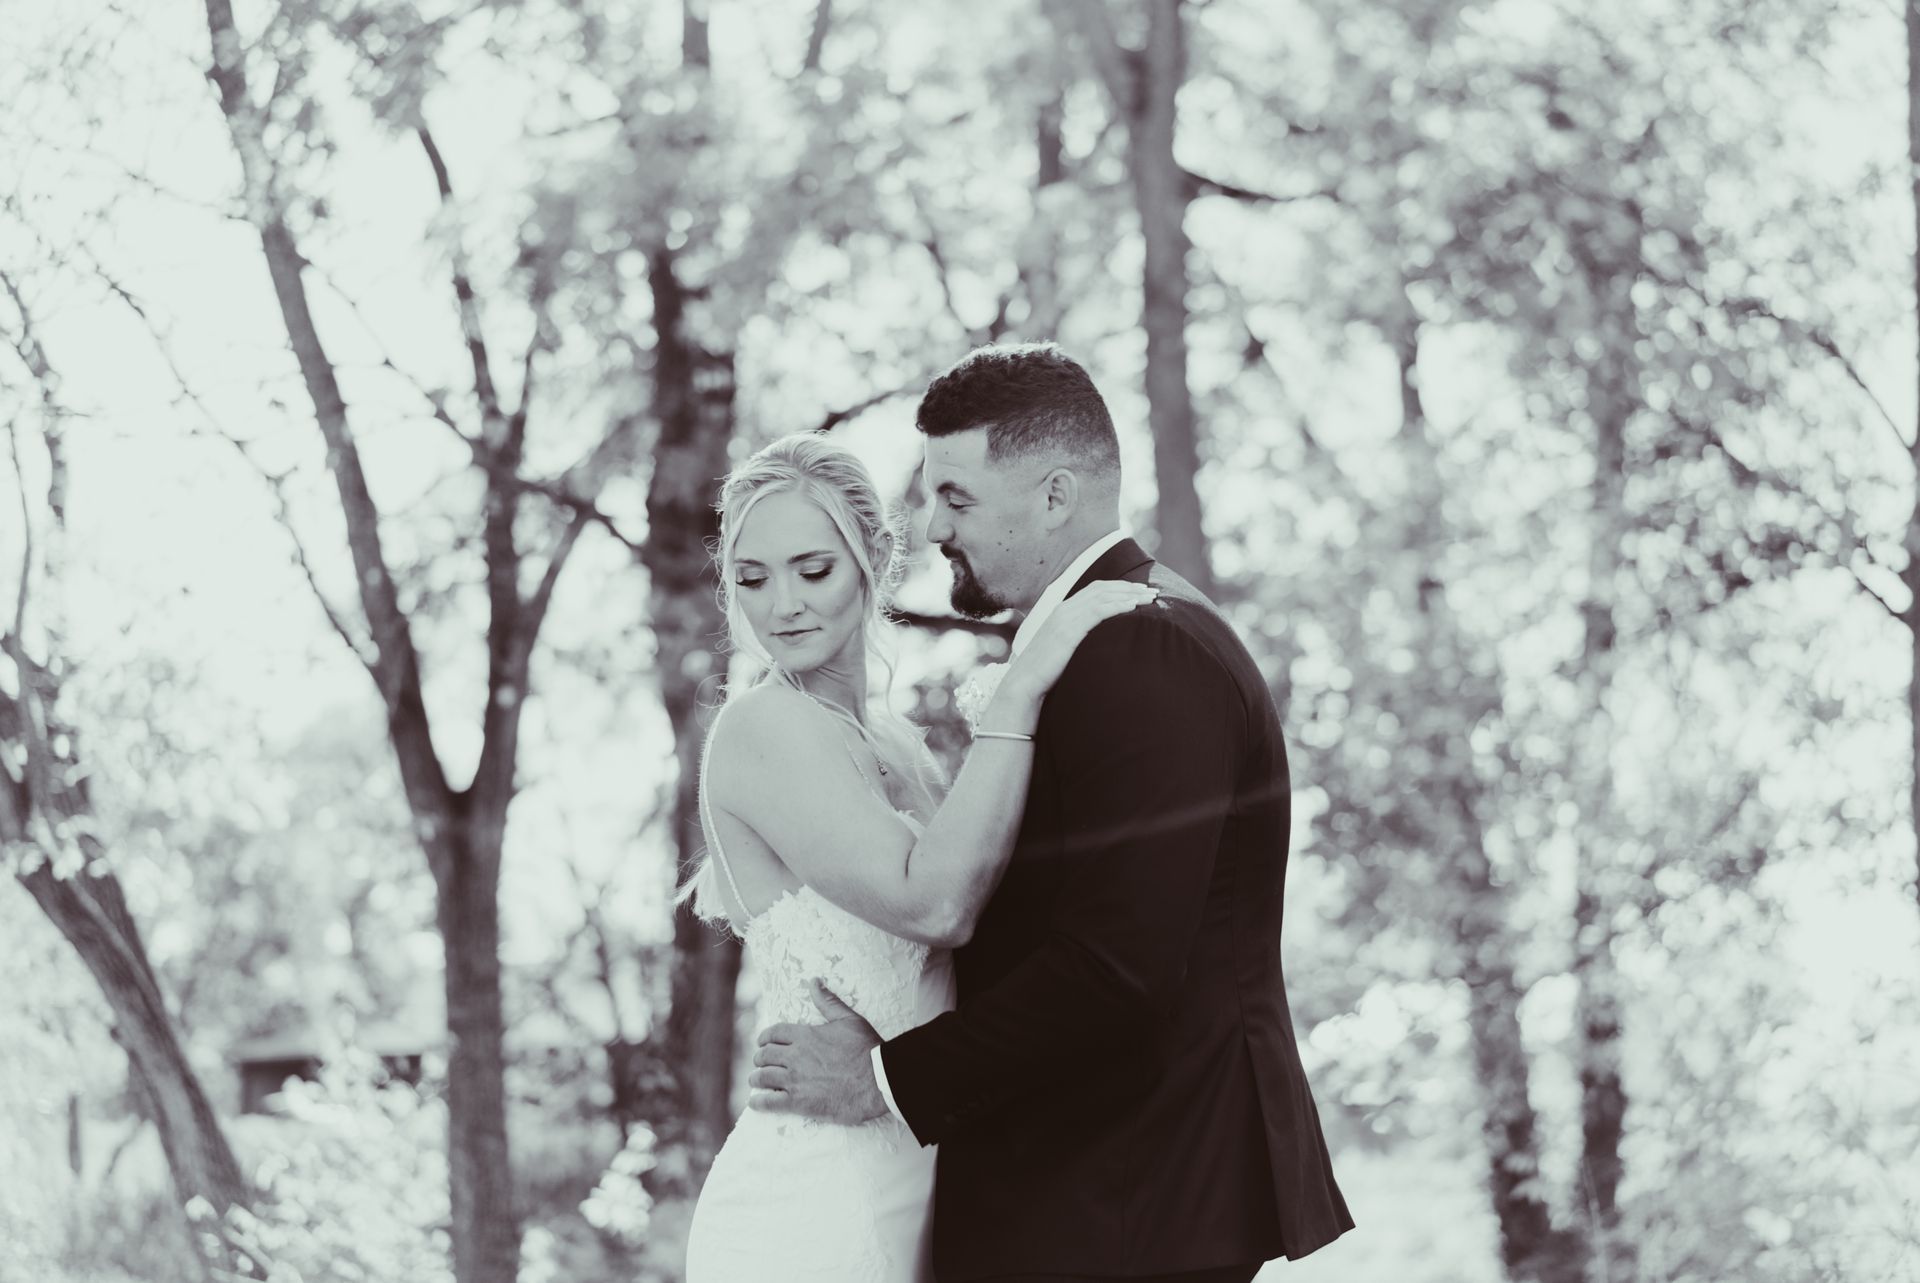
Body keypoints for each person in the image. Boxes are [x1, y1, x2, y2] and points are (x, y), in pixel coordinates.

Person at [749, 343, 1354, 1283]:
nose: (933, 526)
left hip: (1126, 1205)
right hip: (1090, 1198)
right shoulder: (1103, 642)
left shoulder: (1142, 650)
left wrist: (882, 1081)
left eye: (957, 497)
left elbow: (1118, 968)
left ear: (1056, 495)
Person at [680, 430, 1158, 1283]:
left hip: (923, 1180)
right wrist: (1023, 682)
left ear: (874, 557)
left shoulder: (898, 746)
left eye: (812, 569)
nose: (782, 605)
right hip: (812, 1204)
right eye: (752, 579)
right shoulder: (760, 727)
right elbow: (936, 905)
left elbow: (984, 944)